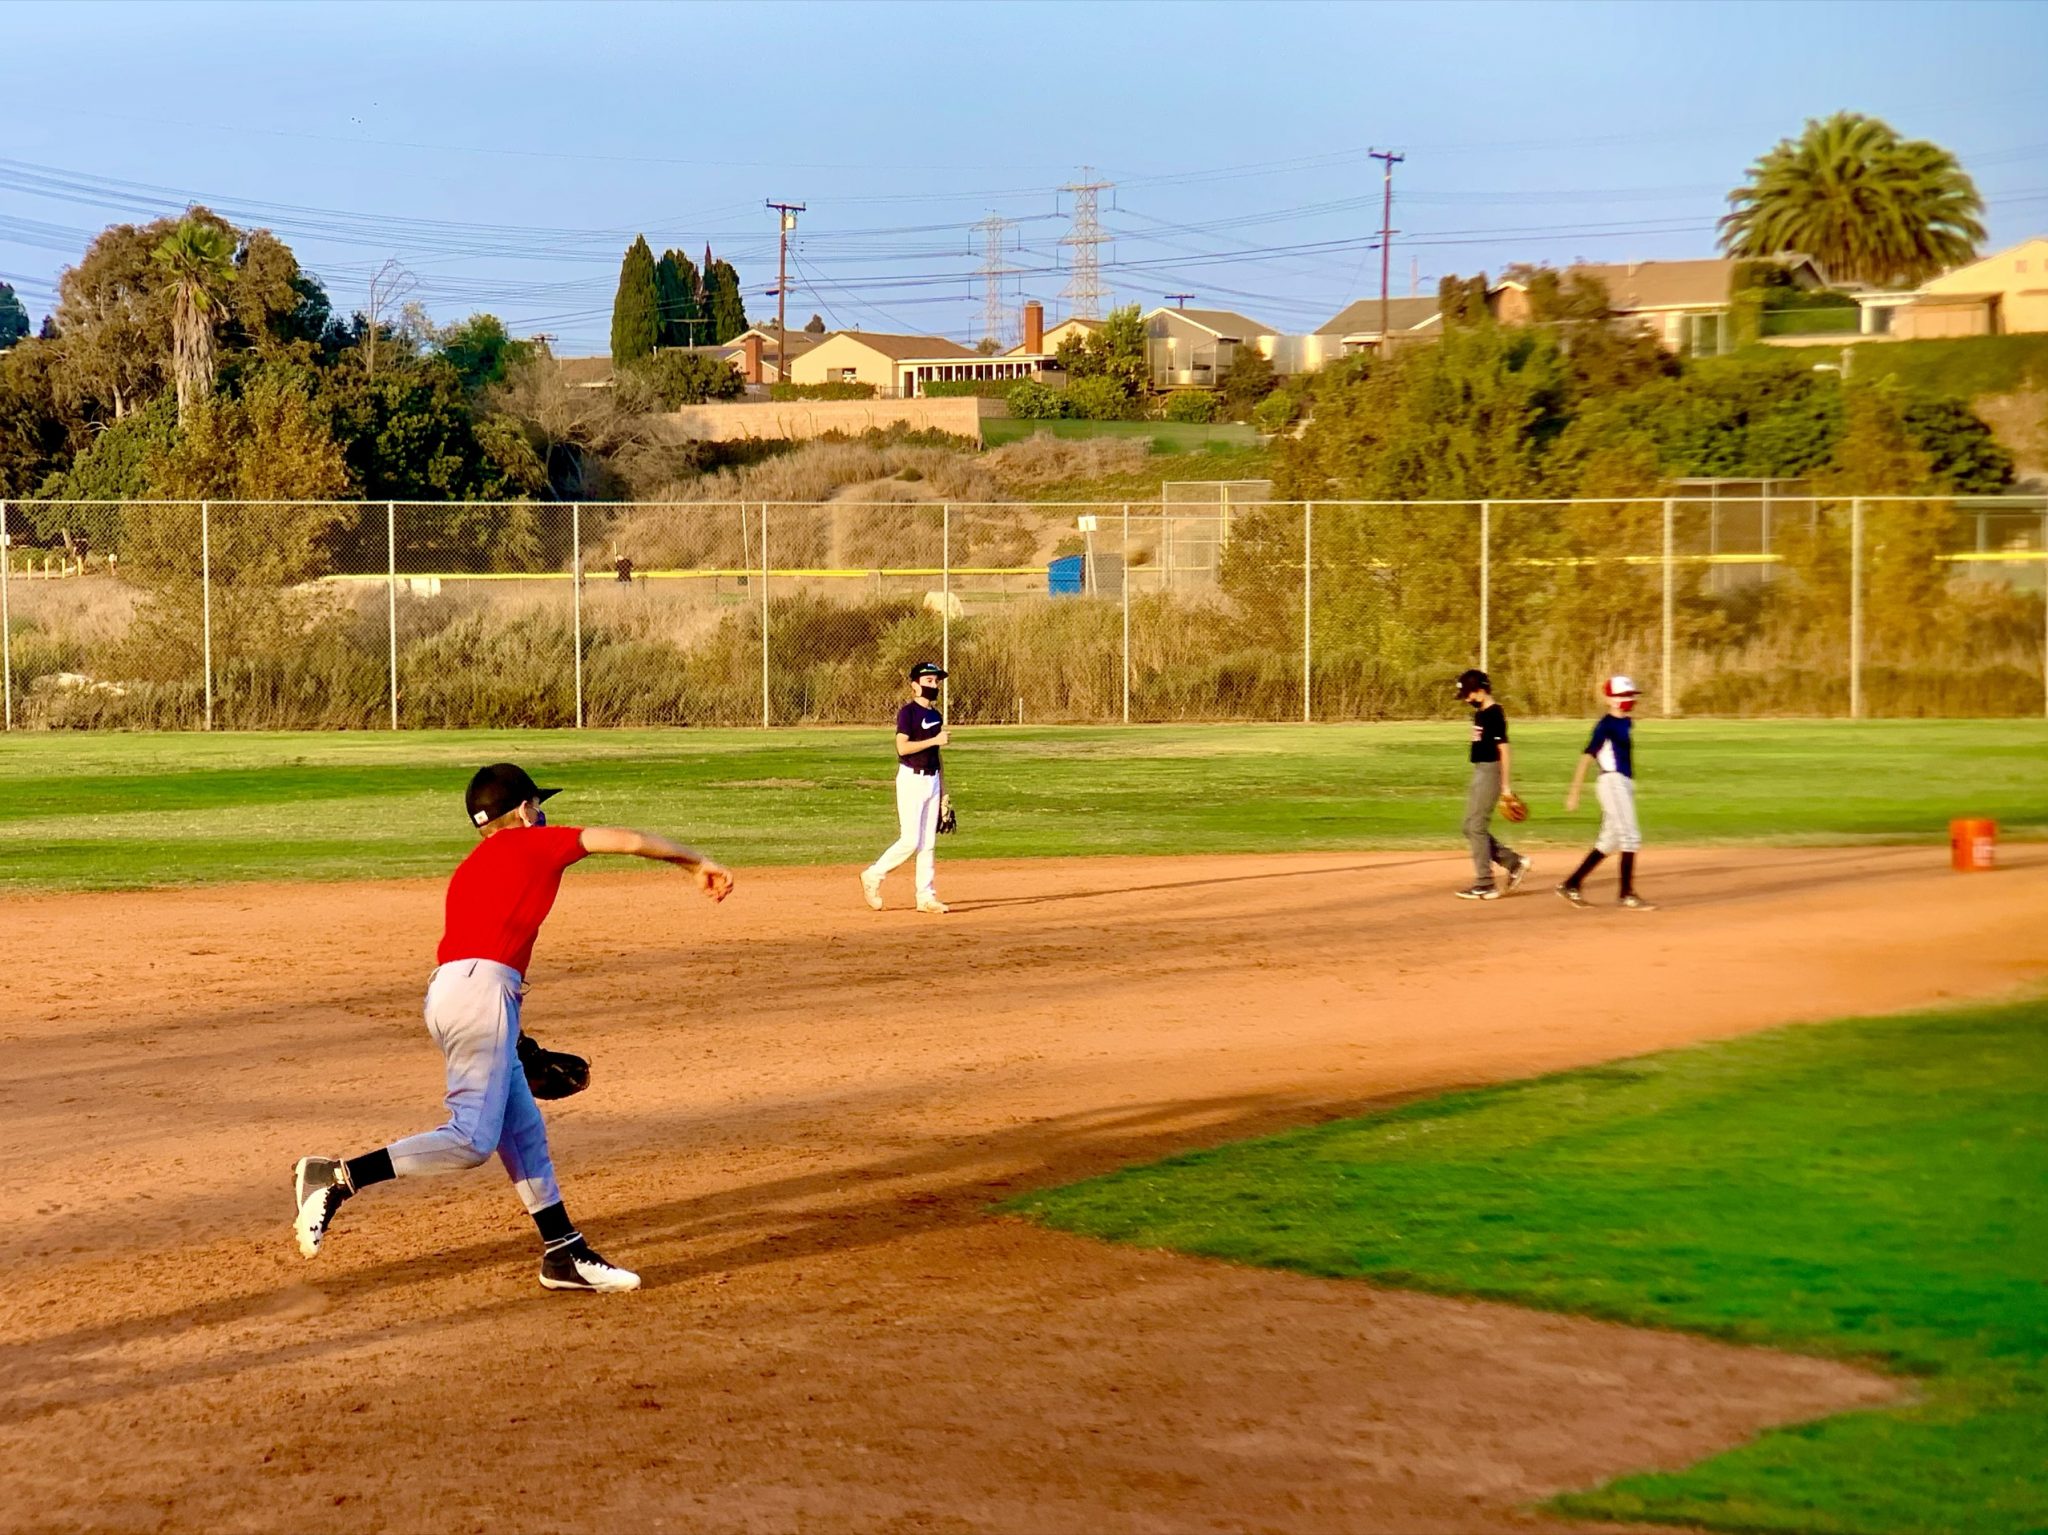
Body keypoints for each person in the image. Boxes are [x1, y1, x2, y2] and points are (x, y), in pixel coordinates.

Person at [290, 763, 734, 1292]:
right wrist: (695, 862)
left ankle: (563, 1252)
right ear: (523, 811)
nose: (543, 814)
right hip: (482, 996)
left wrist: (512, 1039)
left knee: (521, 1131)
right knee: (472, 1139)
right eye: (538, 805)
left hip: (456, 994)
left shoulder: (473, 865)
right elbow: (628, 839)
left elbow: (477, 949)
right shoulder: (533, 843)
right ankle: (337, 1177)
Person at [860, 661, 950, 915]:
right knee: (910, 840)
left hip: (931, 779)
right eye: (929, 681)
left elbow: (937, 755)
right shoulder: (908, 713)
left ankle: (926, 897)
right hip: (911, 778)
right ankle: (873, 875)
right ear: (915, 685)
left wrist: (944, 791)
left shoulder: (935, 715)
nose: (934, 685)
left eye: (936, 681)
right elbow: (903, 748)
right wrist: (935, 739)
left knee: (928, 843)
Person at [1559, 676, 1655, 910]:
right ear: (1609, 699)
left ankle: (1571, 884)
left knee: (1609, 841)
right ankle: (1626, 894)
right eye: (1623, 696)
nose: (1628, 700)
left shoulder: (1627, 722)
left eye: (1630, 695)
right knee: (1630, 837)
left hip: (1623, 784)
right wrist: (1574, 792)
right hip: (1612, 782)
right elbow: (1587, 757)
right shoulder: (1606, 725)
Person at [1453, 668, 1533, 900]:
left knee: (1476, 826)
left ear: (1481, 690)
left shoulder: (1494, 714)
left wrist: (1506, 787)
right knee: (1469, 827)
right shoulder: (1480, 713)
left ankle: (1485, 882)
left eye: (1469, 694)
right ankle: (1514, 863)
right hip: (1480, 771)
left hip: (1491, 771)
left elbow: (1504, 751)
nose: (1467, 699)